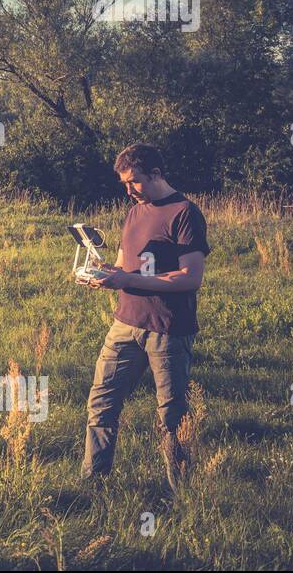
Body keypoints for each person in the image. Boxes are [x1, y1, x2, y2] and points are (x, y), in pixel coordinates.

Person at [82, 143, 210, 490]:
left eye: (135, 182)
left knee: (172, 417)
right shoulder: (134, 212)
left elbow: (190, 277)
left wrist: (128, 279)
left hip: (167, 329)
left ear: (156, 174)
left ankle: (180, 493)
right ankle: (94, 483)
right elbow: (127, 265)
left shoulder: (184, 212)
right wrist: (104, 274)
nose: (129, 190)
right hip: (125, 324)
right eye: (124, 183)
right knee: (101, 402)